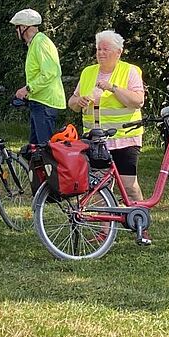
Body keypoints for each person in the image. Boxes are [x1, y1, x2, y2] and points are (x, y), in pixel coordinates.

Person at [69, 30, 147, 230]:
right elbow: (72, 103)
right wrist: (79, 101)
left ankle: (141, 223)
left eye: (106, 49)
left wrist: (113, 88)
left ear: (118, 52)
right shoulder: (88, 72)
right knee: (99, 186)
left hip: (125, 138)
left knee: (128, 185)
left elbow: (138, 101)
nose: (101, 53)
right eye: (98, 49)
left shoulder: (130, 71)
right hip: (95, 140)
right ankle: (105, 230)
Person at [9, 8, 66, 146]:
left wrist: (27, 89)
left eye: (17, 28)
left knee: (45, 150)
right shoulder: (34, 43)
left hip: (45, 103)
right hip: (39, 102)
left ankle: (50, 169)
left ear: (23, 27)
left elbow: (50, 72)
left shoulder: (41, 42)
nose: (16, 31)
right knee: (34, 150)